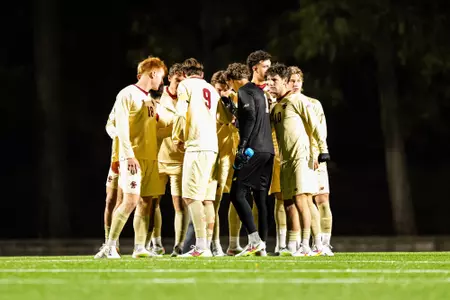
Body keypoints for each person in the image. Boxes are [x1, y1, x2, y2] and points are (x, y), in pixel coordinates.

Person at [95, 56, 167, 259]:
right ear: (153, 73)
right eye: (161, 76)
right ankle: (109, 246)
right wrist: (128, 156)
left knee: (146, 202)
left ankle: (139, 247)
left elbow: (160, 126)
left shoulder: (150, 100)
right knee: (129, 201)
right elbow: (120, 128)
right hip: (133, 158)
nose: (161, 82)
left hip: (150, 157)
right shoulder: (127, 94)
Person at [267, 63, 330, 256]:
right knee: (288, 203)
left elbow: (316, 125)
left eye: (274, 80)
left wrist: (322, 149)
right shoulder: (276, 105)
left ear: (285, 82)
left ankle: (310, 244)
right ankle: (293, 245)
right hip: (285, 160)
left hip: (301, 157)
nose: (270, 84)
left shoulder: (298, 100)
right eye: (268, 80)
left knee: (303, 200)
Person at [172, 58, 227, 257]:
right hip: (212, 146)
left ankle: (202, 246)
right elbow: (224, 117)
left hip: (196, 145)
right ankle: (210, 246)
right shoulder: (211, 89)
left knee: (190, 196)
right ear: (202, 74)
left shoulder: (185, 85)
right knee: (206, 199)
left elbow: (180, 113)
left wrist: (177, 136)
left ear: (185, 74)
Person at [224, 62, 273, 256]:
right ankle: (262, 245)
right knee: (260, 200)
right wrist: (235, 112)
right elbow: (252, 116)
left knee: (237, 193)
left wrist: (243, 144)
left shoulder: (244, 91)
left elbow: (251, 117)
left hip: (253, 149)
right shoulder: (260, 93)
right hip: (268, 150)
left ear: (232, 80)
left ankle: (254, 241)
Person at [288, 66, 334, 256]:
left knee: (322, 199)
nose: (295, 83)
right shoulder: (285, 103)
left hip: (314, 156)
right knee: (302, 200)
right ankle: (307, 242)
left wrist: (317, 153)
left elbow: (320, 130)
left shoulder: (313, 103)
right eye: (291, 80)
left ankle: (325, 243)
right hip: (299, 157)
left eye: (298, 80)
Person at [247, 50, 287, 255]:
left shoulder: (274, 90)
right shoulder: (250, 90)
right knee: (256, 197)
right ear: (255, 67)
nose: (269, 71)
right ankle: (256, 242)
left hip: (276, 148)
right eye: (265, 66)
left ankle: (281, 244)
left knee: (279, 196)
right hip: (258, 147)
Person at [156, 63, 189, 256]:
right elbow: (155, 128)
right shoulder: (158, 98)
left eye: (183, 81)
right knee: (152, 202)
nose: (180, 85)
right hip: (159, 156)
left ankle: (179, 244)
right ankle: (155, 242)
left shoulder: (189, 99)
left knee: (179, 204)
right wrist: (172, 132)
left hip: (180, 159)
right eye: (177, 80)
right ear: (170, 78)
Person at [210, 71, 242, 256]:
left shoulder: (235, 99)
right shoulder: (210, 102)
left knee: (238, 197)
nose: (223, 93)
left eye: (227, 89)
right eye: (220, 89)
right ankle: (214, 243)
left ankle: (233, 243)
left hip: (235, 153)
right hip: (218, 154)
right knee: (215, 200)